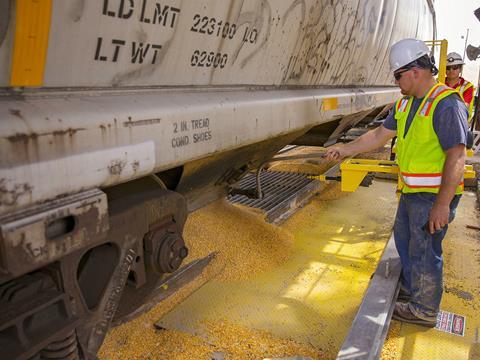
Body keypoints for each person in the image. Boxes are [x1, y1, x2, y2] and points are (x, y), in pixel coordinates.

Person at [326, 38, 468, 327]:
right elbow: (378, 135)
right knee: (406, 241)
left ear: (415, 71)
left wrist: (442, 205)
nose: (396, 82)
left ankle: (424, 309)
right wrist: (346, 149)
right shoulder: (406, 104)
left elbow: (457, 156)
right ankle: (413, 290)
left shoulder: (445, 104)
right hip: (412, 191)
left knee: (424, 249)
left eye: (398, 76)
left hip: (432, 196)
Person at [444, 52, 475, 123]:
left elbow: (461, 109)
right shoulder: (438, 83)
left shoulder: (467, 87)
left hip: (459, 126)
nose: (451, 70)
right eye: (448, 68)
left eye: (455, 67)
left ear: (460, 69)